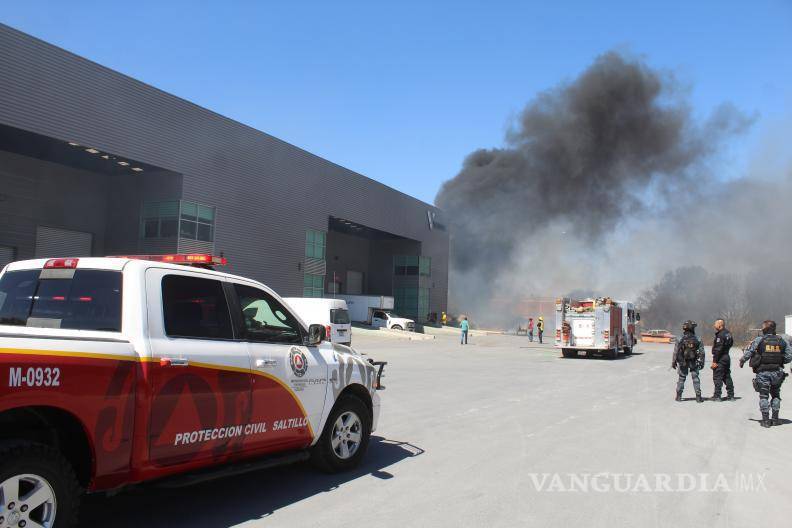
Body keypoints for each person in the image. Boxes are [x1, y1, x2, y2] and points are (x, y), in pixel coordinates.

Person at [739, 320, 792, 427]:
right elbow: (789, 357)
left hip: (763, 372)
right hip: (777, 372)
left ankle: (766, 420)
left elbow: (749, 352)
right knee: (776, 395)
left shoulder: (760, 340)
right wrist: (779, 360)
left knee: (764, 396)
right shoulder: (782, 341)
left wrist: (742, 360)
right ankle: (775, 419)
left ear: (765, 329)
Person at [672, 320, 705, 402]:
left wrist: (673, 362)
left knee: (681, 378)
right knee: (695, 378)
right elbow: (702, 352)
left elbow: (676, 351)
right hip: (694, 361)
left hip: (682, 362)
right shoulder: (698, 338)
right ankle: (698, 397)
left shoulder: (679, 338)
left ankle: (678, 396)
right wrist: (702, 362)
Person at [710, 319, 735, 401]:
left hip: (720, 358)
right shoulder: (728, 333)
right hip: (726, 357)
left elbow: (718, 349)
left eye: (715, 324)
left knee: (718, 377)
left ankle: (717, 396)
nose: (714, 325)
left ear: (720, 325)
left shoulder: (720, 335)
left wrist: (715, 361)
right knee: (727, 376)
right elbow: (731, 343)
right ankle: (731, 395)